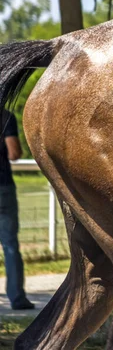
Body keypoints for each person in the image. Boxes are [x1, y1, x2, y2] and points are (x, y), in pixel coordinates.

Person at [0, 109, 34, 310]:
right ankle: (17, 298)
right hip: (2, 187)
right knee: (10, 245)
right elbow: (14, 153)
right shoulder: (5, 116)